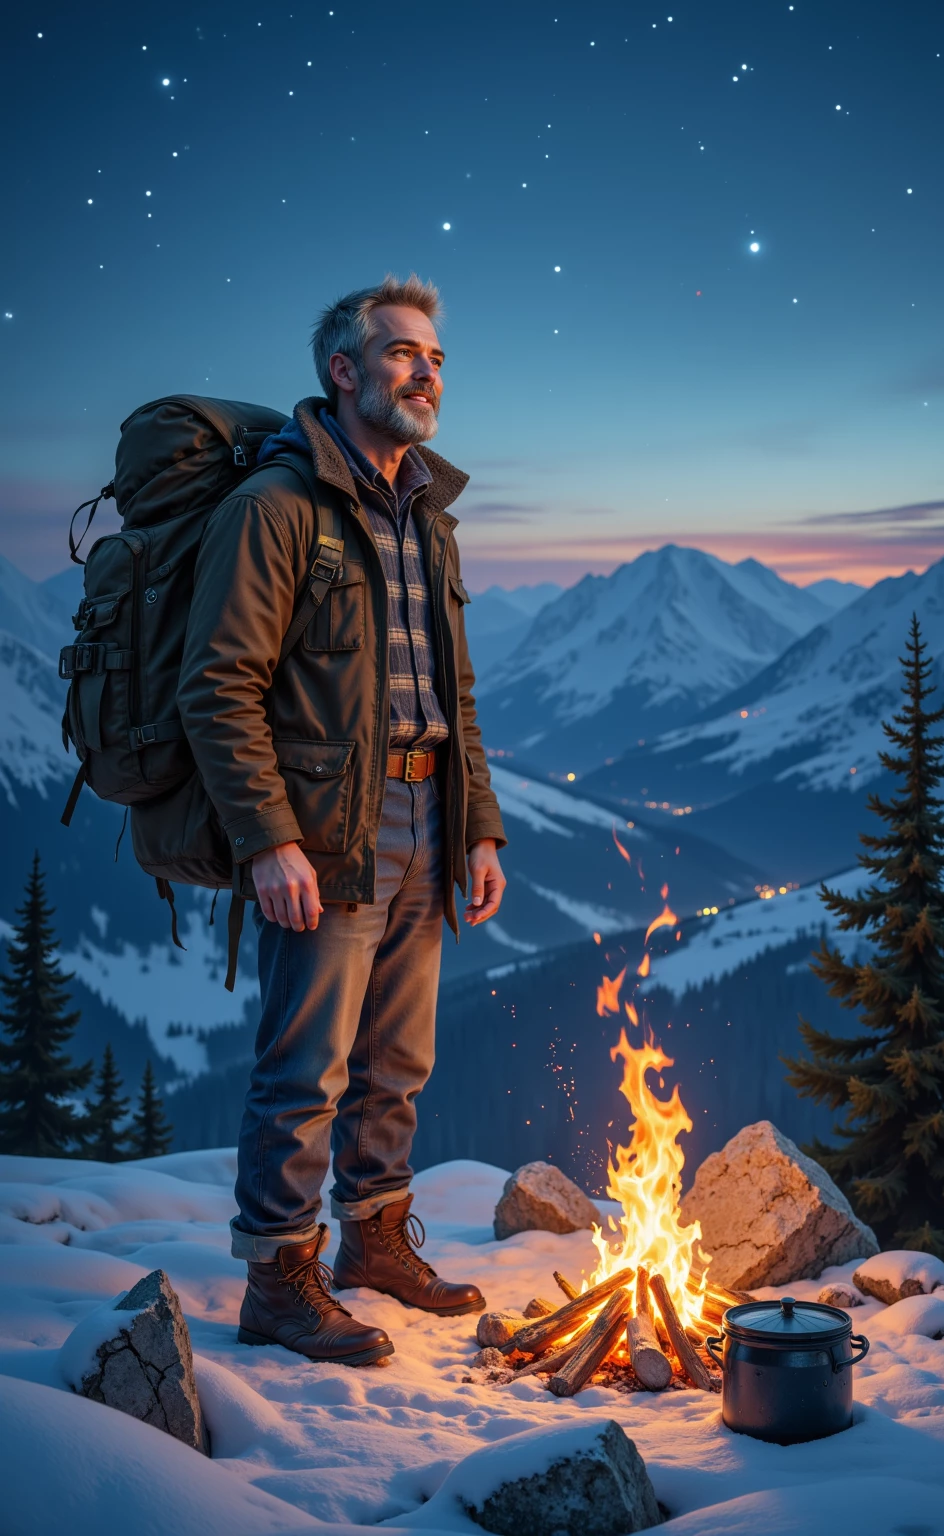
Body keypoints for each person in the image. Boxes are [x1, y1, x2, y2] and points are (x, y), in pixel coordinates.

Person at [179, 274, 507, 1364]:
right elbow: (218, 686)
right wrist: (270, 839)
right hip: (324, 828)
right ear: (344, 371)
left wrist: (480, 827)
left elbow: (453, 692)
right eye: (405, 353)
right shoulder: (274, 511)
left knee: (395, 1059)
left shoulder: (428, 518)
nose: (428, 373)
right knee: (304, 1066)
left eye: (438, 358)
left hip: (425, 807)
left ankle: (373, 1242)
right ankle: (278, 1278)